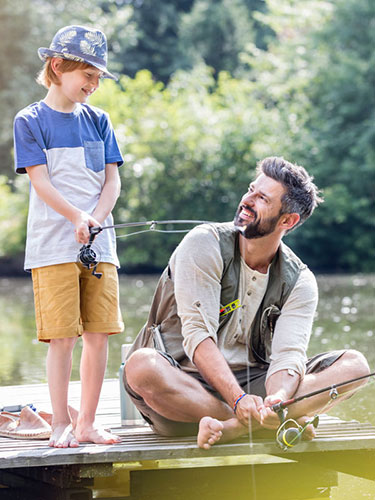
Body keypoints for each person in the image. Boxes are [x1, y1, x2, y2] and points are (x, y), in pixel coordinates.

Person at [123, 156, 370, 449]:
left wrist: (277, 399)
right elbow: (197, 336)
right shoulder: (203, 243)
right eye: (251, 189)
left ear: (287, 221)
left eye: (262, 198)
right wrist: (238, 401)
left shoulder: (300, 280)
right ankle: (261, 423)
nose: (247, 200)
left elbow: (288, 357)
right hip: (184, 386)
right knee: (140, 366)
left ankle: (236, 427)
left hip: (257, 387)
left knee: (356, 366)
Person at [13, 25, 124, 448]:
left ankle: (87, 424)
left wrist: (95, 218)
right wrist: (75, 216)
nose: (94, 86)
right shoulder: (30, 120)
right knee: (62, 338)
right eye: (88, 76)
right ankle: (60, 423)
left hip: (101, 247)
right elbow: (41, 182)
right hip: (52, 247)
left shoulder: (100, 121)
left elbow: (111, 183)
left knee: (98, 336)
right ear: (58, 67)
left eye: (98, 78)